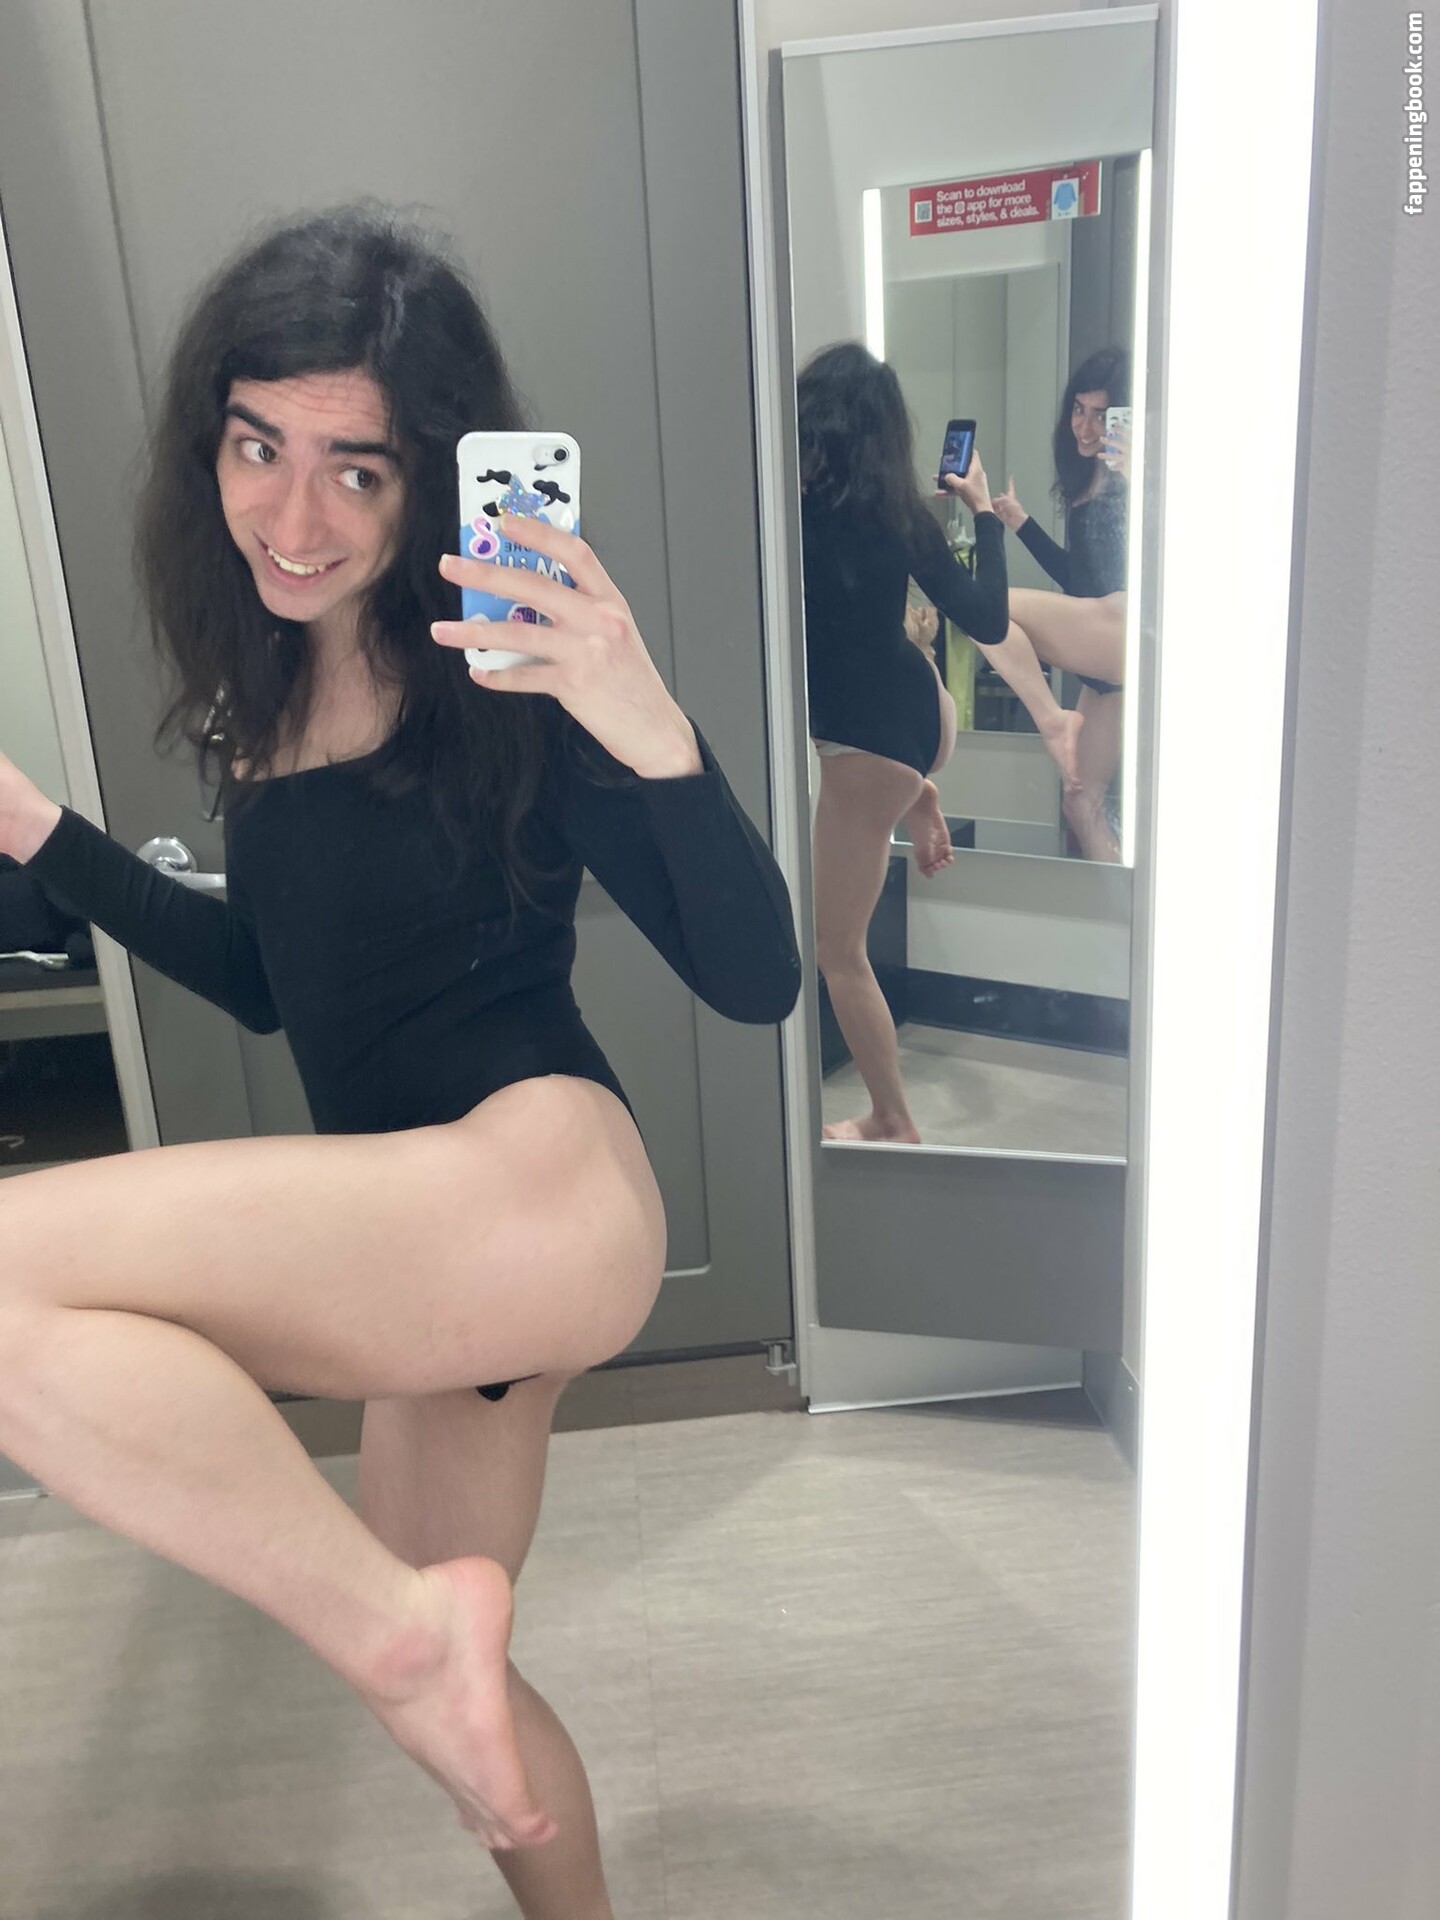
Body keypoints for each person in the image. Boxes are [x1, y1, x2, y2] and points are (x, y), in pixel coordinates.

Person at [0, 206, 800, 1916]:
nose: (293, 520)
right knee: (454, 1695)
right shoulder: (265, 699)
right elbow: (272, 986)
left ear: (427, 477)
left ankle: (399, 1636)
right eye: (258, 449)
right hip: (417, 1235)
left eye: (354, 471)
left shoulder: (509, 680)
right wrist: (43, 835)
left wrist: (645, 717)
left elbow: (756, 980)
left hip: (542, 1182)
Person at [798, 341, 1060, 1144]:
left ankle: (892, 1118)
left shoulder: (788, 511)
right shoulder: (900, 513)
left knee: (838, 951)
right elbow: (986, 618)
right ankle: (922, 793)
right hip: (926, 712)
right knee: (882, 796)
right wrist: (982, 510)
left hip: (867, 748)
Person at [990, 346, 1133, 861]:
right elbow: (1078, 579)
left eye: (1101, 414)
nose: (1086, 427)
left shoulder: (1135, 477)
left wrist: (1141, 477)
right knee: (1080, 802)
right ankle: (1114, 896)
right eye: (1079, 409)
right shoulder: (1086, 481)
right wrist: (1020, 523)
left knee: (988, 606)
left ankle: (1052, 719)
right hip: (1104, 649)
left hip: (1125, 626)